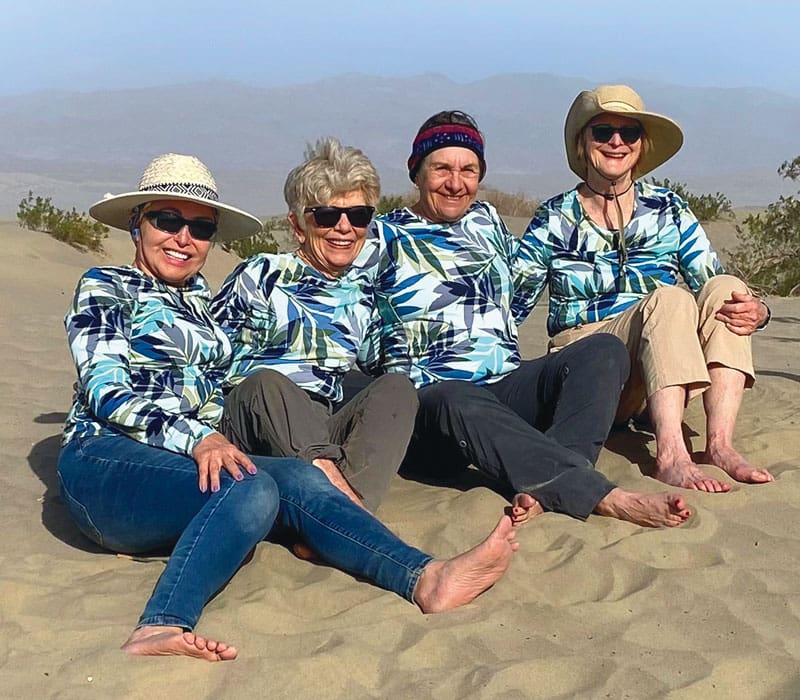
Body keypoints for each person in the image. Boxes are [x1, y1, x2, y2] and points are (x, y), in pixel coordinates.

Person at [57, 153, 524, 663]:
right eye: (166, 220)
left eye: (200, 227)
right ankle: (161, 623)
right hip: (106, 462)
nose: (182, 238)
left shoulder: (200, 302)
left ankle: (425, 578)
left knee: (301, 480)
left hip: (186, 465)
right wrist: (201, 438)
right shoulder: (106, 286)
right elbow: (105, 390)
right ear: (136, 224)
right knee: (252, 484)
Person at [360, 111, 690, 528]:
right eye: (441, 168)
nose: (455, 182)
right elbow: (360, 331)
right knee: (457, 395)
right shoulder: (382, 236)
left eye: (469, 169)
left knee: (602, 351)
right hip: (431, 406)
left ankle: (552, 477)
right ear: (417, 172)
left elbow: (515, 297)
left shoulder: (487, 221)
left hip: (504, 386)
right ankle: (595, 493)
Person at [517, 84, 774, 492]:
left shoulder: (668, 208)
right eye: (602, 132)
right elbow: (511, 302)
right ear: (584, 143)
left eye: (629, 133)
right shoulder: (554, 217)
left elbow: (711, 278)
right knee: (669, 299)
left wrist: (757, 311)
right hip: (588, 365)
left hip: (658, 369)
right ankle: (670, 454)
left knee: (726, 288)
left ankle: (720, 444)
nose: (616, 142)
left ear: (641, 144)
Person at [212, 139, 416, 513]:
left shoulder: (362, 297)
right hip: (251, 421)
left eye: (358, 216)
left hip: (316, 428)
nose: (344, 228)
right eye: (326, 216)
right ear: (298, 224)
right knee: (268, 384)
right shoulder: (261, 275)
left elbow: (388, 362)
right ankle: (341, 516)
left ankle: (342, 511)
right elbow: (209, 357)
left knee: (397, 390)